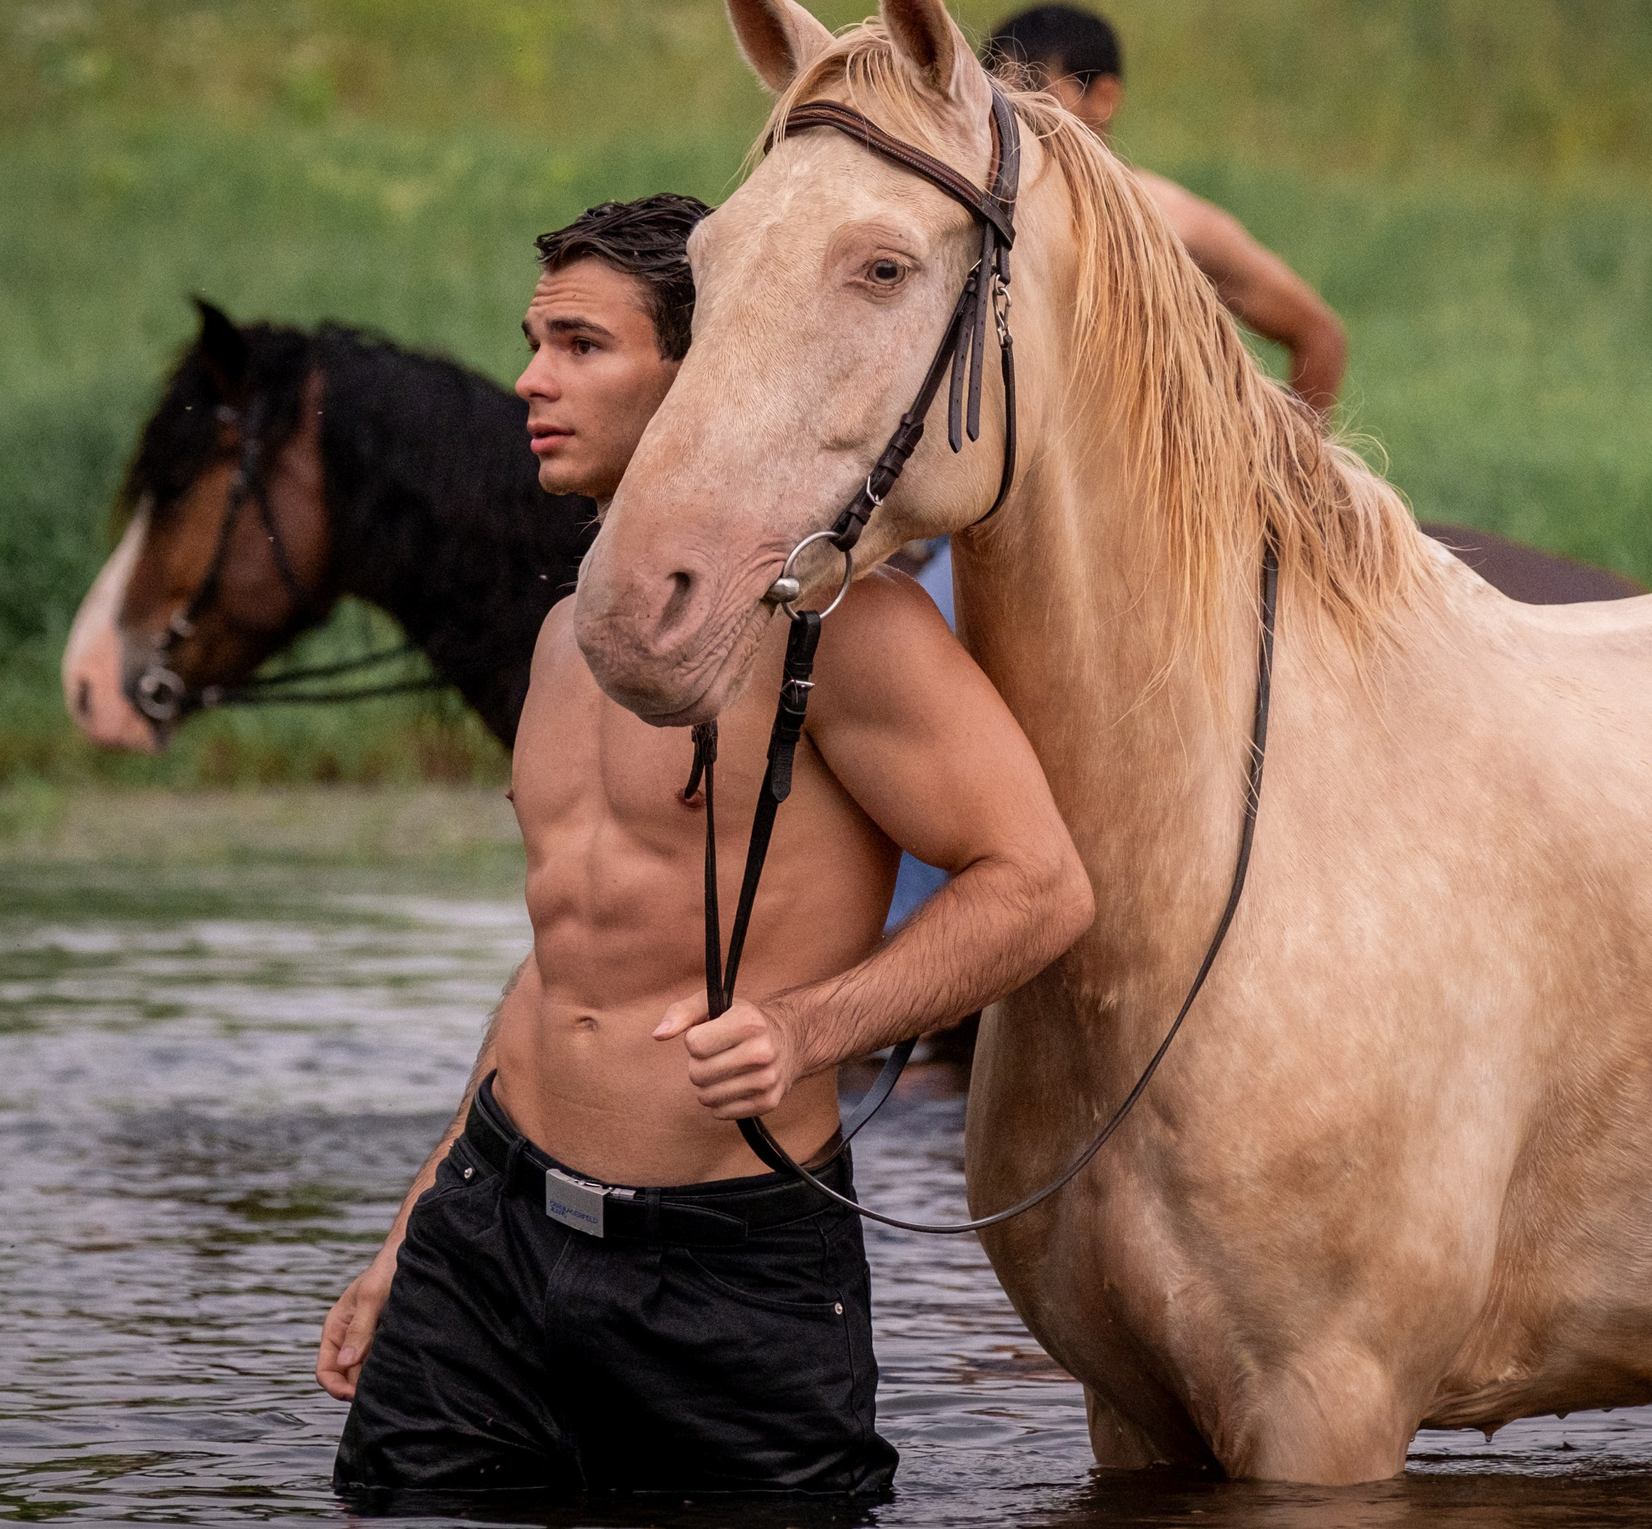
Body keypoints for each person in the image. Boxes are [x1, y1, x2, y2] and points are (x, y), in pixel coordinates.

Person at [318, 195, 1094, 1500]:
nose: (529, 378)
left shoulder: (842, 626)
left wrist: (807, 1025)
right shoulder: (574, 631)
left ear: (704, 369)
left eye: (579, 344)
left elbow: (1039, 886)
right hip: (489, 1240)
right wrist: (415, 1224)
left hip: (727, 1267)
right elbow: (562, 966)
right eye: (534, 339)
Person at [984, 2, 1348, 417]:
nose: (1018, 120)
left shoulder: (1168, 220)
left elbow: (1317, 335)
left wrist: (1294, 468)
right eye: (1003, 103)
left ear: (1103, 98)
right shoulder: (984, 215)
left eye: (1037, 98)